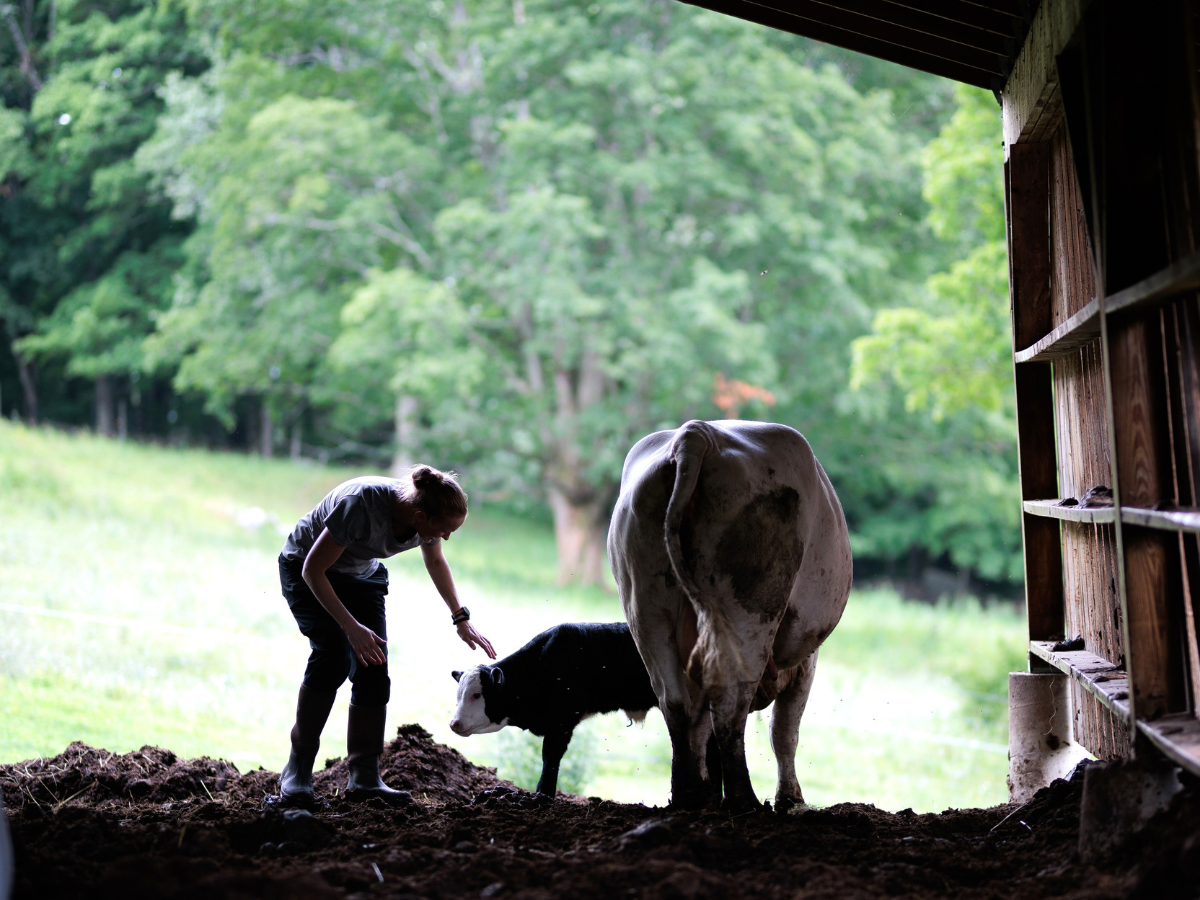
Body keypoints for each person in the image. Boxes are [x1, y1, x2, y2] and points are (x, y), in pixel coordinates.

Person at [274, 464, 495, 807]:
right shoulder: (361, 505)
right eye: (443, 530)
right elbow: (312, 570)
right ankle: (298, 769)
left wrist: (460, 617)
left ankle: (364, 777)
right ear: (420, 516)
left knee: (374, 671)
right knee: (333, 657)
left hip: (361, 577)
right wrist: (351, 628)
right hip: (308, 571)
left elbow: (436, 562)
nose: (445, 537)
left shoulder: (427, 515)